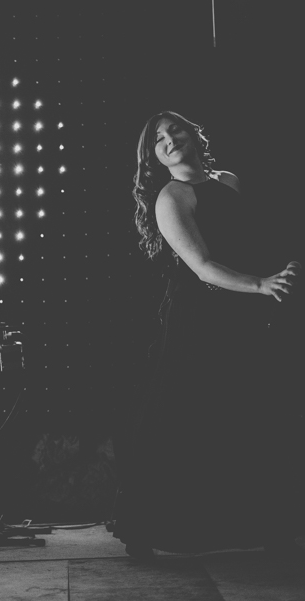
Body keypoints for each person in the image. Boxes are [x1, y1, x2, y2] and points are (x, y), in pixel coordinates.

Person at [113, 110, 302, 556]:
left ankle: (254, 524)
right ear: (154, 158)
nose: (169, 139)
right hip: (198, 317)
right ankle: (151, 526)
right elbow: (201, 267)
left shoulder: (229, 180)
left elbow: (246, 240)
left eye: (174, 129)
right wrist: (261, 284)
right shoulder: (171, 197)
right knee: (182, 414)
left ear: (193, 134)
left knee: (246, 413)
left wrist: (279, 271)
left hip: (243, 309)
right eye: (158, 139)